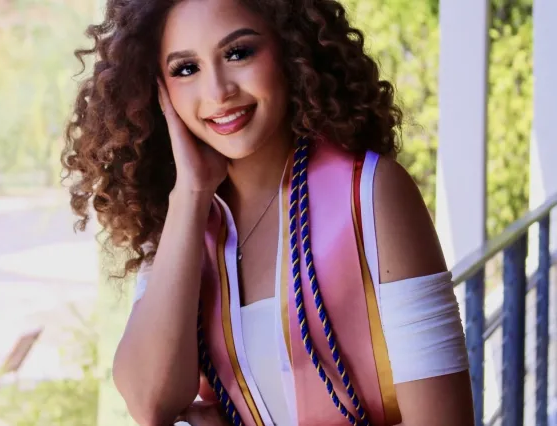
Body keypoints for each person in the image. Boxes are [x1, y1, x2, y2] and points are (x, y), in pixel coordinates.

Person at [62, 0, 475, 424]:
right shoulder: (183, 227)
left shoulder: (371, 192)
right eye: (186, 69)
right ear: (159, 92)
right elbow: (150, 403)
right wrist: (191, 191)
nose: (219, 91)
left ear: (290, 49)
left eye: (238, 53)